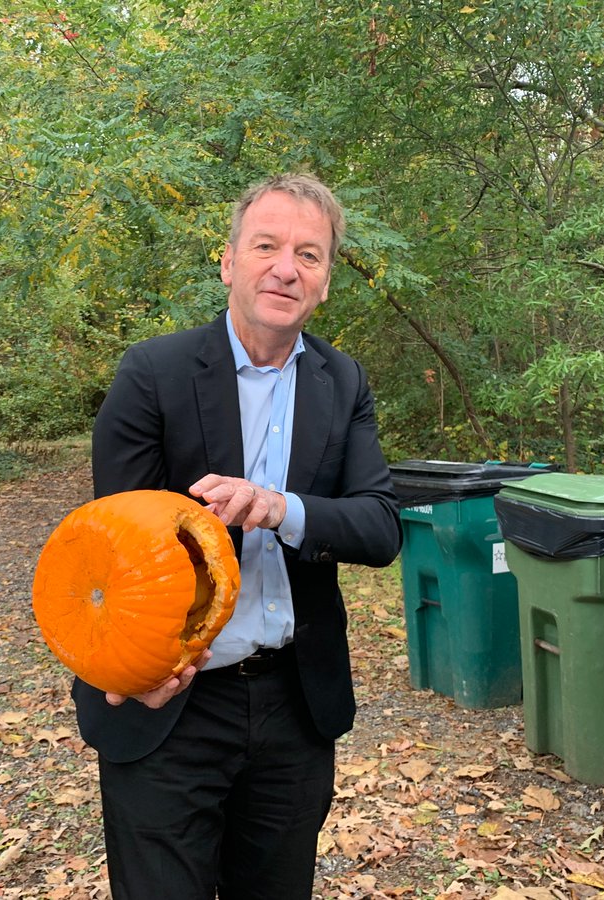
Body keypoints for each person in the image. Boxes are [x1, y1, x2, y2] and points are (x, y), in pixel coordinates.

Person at [72, 172, 402, 899]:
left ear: (324, 284)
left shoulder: (343, 384)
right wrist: (131, 672)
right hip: (175, 701)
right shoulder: (153, 374)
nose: (286, 267)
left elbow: (380, 528)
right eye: (267, 246)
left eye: (309, 255)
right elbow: (112, 547)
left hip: (294, 703)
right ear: (228, 262)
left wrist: (278, 506)